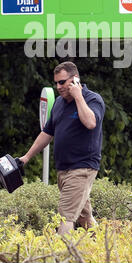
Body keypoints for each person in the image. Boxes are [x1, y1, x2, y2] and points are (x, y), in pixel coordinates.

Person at [20, 61, 105, 235]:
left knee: (65, 217)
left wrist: (78, 96)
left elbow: (90, 123)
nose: (58, 87)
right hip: (63, 170)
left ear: (75, 80)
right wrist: (26, 157)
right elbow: (47, 133)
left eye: (62, 82)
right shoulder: (58, 103)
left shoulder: (92, 99)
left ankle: (59, 256)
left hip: (82, 168)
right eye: (56, 82)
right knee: (84, 218)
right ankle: (105, 249)